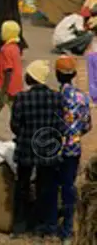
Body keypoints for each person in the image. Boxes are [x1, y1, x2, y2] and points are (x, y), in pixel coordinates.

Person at [10, 59, 62, 238]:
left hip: (25, 148)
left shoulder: (21, 98)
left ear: (31, 78)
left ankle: (19, 225)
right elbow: (60, 125)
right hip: (47, 150)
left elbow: (15, 125)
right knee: (44, 188)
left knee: (22, 186)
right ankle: (41, 226)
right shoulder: (56, 98)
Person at [54, 55, 92, 243]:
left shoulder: (55, 97)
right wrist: (74, 134)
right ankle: (67, 230)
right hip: (73, 149)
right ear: (75, 74)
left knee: (52, 187)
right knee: (69, 187)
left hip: (54, 149)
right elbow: (87, 126)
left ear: (56, 74)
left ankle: (51, 225)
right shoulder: (82, 98)